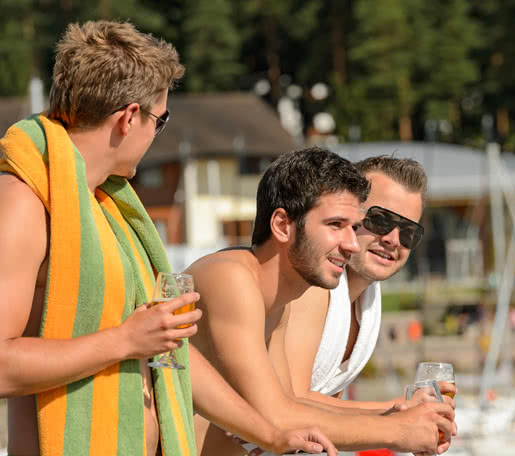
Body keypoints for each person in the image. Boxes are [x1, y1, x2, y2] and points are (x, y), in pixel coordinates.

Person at [0, 20, 335, 456]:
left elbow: (168, 355)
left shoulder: (106, 208)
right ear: (128, 118)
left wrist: (270, 435)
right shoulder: (25, 203)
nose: (157, 136)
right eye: (160, 120)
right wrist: (125, 340)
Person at [186, 147, 455, 456]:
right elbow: (279, 416)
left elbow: (287, 405)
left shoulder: (279, 302)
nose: (351, 243)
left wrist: (402, 414)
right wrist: (400, 430)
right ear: (283, 225)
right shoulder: (232, 278)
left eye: (353, 227)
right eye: (336, 225)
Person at [282, 156, 456, 408]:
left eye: (408, 231)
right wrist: (400, 414)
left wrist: (409, 410)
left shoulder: (367, 303)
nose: (393, 239)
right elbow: (292, 404)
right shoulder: (311, 287)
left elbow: (329, 407)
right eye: (381, 220)